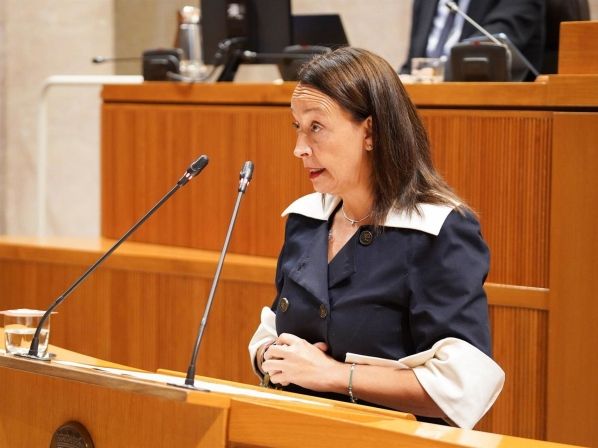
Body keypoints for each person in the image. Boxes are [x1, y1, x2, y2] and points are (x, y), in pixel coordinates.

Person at [248, 47, 504, 429]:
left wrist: (334, 375)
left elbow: (463, 386)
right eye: (297, 127)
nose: (299, 148)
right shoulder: (307, 219)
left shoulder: (437, 231)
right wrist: (269, 354)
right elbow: (274, 331)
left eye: (316, 127)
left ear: (370, 131)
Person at [401, 0, 545, 77]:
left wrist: (435, 72)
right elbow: (412, 63)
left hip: (491, 103)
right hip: (423, 102)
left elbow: (492, 45)